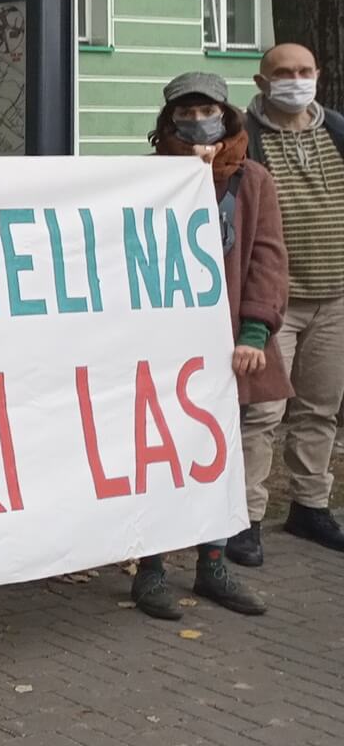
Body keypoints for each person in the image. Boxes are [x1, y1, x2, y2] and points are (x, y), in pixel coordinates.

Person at [131, 73, 284, 619]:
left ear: (227, 115)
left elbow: (267, 257)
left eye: (207, 111)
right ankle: (150, 569)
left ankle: (212, 563)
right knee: (155, 453)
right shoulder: (145, 178)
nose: (198, 122)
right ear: (168, 121)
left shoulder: (253, 181)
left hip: (227, 346)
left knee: (219, 456)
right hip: (161, 345)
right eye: (186, 113)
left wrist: (255, 331)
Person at [237, 42, 344, 558]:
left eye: (304, 71)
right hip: (273, 303)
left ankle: (310, 506)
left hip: (335, 297)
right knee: (261, 414)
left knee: (320, 409)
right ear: (262, 83)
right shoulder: (244, 138)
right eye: (283, 73)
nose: (296, 80)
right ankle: (244, 517)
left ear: (318, 75)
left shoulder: (337, 131)